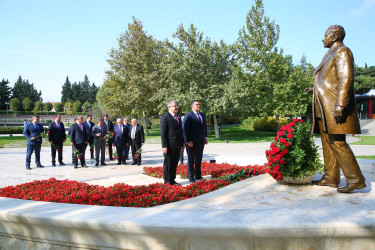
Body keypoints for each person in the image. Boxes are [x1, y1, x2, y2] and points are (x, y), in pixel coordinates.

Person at [306, 25, 366, 193]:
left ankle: (356, 179)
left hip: (334, 106)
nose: (322, 39)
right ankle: (330, 177)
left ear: (333, 36)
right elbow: (329, 81)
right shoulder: (330, 53)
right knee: (328, 142)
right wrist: (315, 89)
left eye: (325, 35)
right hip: (324, 105)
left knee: (338, 142)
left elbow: (346, 78)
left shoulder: (342, 51)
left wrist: (340, 104)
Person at [160, 101, 185, 185]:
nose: (176, 107)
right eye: (175, 106)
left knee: (174, 163)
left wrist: (182, 143)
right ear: (169, 107)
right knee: (168, 164)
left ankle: (172, 179)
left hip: (177, 145)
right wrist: (164, 146)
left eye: (177, 106)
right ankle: (167, 181)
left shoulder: (177, 117)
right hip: (169, 145)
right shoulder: (165, 117)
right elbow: (163, 132)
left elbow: (180, 131)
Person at [183, 100, 208, 183]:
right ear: (192, 106)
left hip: (200, 141)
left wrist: (205, 137)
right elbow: (185, 129)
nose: (198, 106)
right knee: (191, 159)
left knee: (199, 158)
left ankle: (198, 174)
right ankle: (190, 176)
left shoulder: (202, 115)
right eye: (196, 104)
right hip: (191, 142)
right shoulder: (188, 116)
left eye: (199, 104)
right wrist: (188, 140)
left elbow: (204, 127)